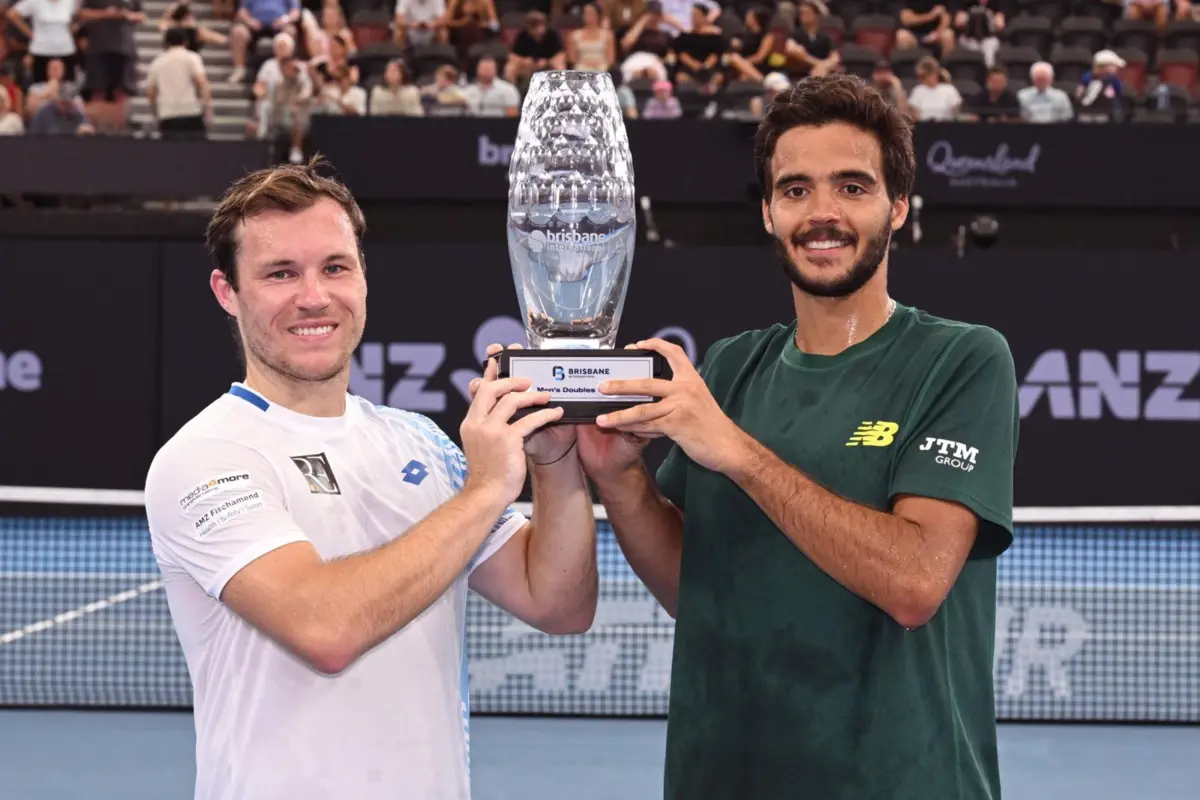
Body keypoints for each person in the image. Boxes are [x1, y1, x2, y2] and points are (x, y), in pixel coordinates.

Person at [585, 73, 1019, 799]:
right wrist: (619, 479)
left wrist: (740, 453)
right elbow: (697, 588)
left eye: (852, 187)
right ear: (767, 212)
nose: (822, 213)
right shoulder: (729, 366)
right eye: (796, 190)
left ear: (899, 207)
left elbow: (915, 583)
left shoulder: (964, 360)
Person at [143, 158, 598, 800]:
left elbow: (558, 603)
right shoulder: (206, 455)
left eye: (335, 267)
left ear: (362, 276)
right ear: (227, 292)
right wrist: (488, 487)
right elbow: (326, 629)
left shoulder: (418, 440)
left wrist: (553, 464)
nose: (314, 297)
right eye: (280, 273)